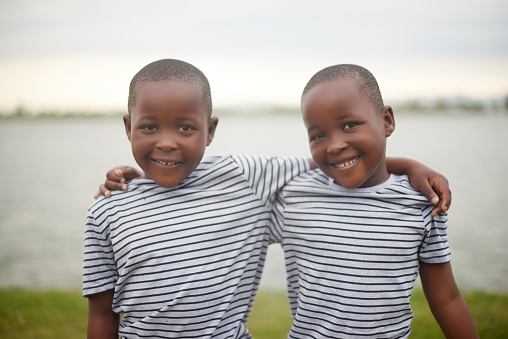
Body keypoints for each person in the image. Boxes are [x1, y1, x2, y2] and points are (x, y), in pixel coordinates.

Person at [89, 58, 452, 339]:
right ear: (128, 128)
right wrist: (134, 177)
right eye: (149, 127)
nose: (167, 141)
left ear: (210, 130)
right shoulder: (108, 208)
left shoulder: (244, 176)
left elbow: (334, 160)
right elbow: (103, 313)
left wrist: (408, 166)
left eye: (185, 127)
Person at [269, 64, 478, 338]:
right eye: (318, 135)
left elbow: (446, 299)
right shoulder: (294, 196)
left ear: (387, 120)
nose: (333, 145)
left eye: (349, 125)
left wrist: (408, 168)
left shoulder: (422, 203)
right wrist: (408, 164)